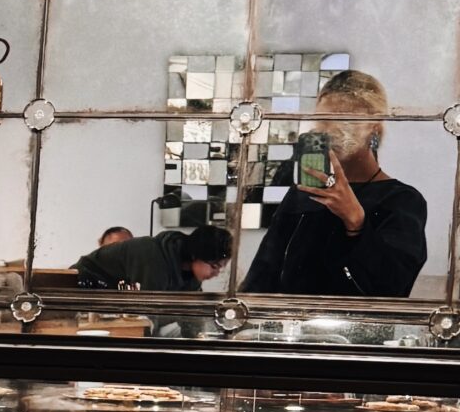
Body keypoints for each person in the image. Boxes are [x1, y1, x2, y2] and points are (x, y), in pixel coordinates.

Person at [243, 70, 428, 300]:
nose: (331, 132)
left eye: (345, 120)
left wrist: (356, 222)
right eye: (323, 121)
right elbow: (262, 274)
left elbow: (391, 288)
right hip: (287, 321)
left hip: (353, 323)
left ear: (374, 126)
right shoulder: (303, 193)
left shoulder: (402, 200)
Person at [73, 222, 230, 291]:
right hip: (83, 286)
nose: (216, 273)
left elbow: (192, 313)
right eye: (215, 266)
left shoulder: (191, 276)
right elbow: (145, 312)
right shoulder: (153, 258)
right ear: (196, 255)